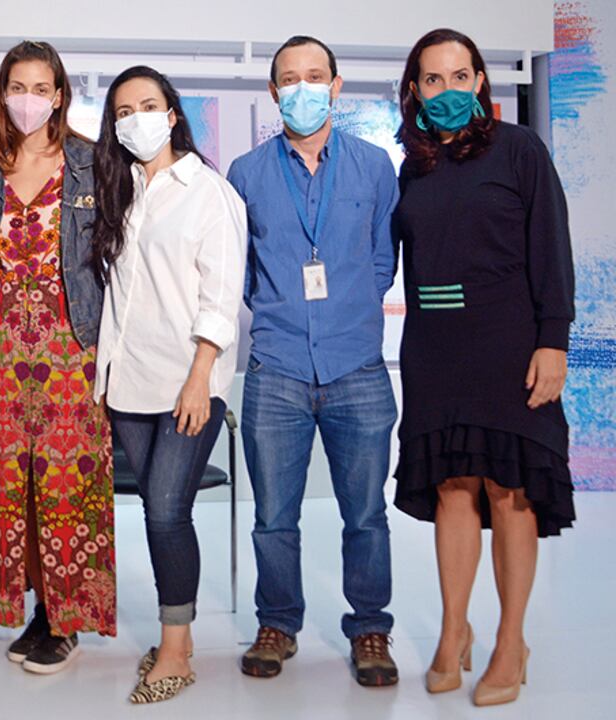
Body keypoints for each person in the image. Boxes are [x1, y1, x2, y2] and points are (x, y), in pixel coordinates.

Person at [392, 29, 575, 707]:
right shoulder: (414, 166)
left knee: (508, 489)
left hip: (509, 344)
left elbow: (551, 249)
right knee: (451, 488)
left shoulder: (521, 150)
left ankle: (510, 640)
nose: (448, 91)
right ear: (414, 90)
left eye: (459, 76)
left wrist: (552, 342)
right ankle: (452, 630)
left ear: (480, 83)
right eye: (433, 80)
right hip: (434, 348)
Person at [225, 35, 401, 686]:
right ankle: (278, 622)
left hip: (358, 365)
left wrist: (345, 309)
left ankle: (372, 629)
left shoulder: (374, 166)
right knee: (274, 517)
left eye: (314, 76)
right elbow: (242, 271)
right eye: (289, 79)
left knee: (366, 514)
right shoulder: (245, 172)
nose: (302, 88)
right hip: (275, 369)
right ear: (274, 93)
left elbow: (383, 260)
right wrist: (285, 312)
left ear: (336, 84)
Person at [93, 66, 247, 703]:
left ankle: (178, 647)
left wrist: (201, 380)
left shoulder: (209, 191)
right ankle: (172, 633)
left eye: (147, 105)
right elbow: (117, 295)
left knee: (165, 510)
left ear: (173, 113)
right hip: (128, 384)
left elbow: (222, 295)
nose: (136, 118)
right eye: (124, 110)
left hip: (188, 383)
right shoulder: (119, 186)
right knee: (156, 513)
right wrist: (102, 375)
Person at [0, 40, 115, 676]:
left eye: (41, 88)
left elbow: (112, 254)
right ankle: (35, 608)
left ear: (59, 95)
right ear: (3, 94)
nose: (29, 99)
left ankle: (66, 619)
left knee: (67, 484)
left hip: (69, 346)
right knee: (8, 490)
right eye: (17, 87)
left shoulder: (90, 162)